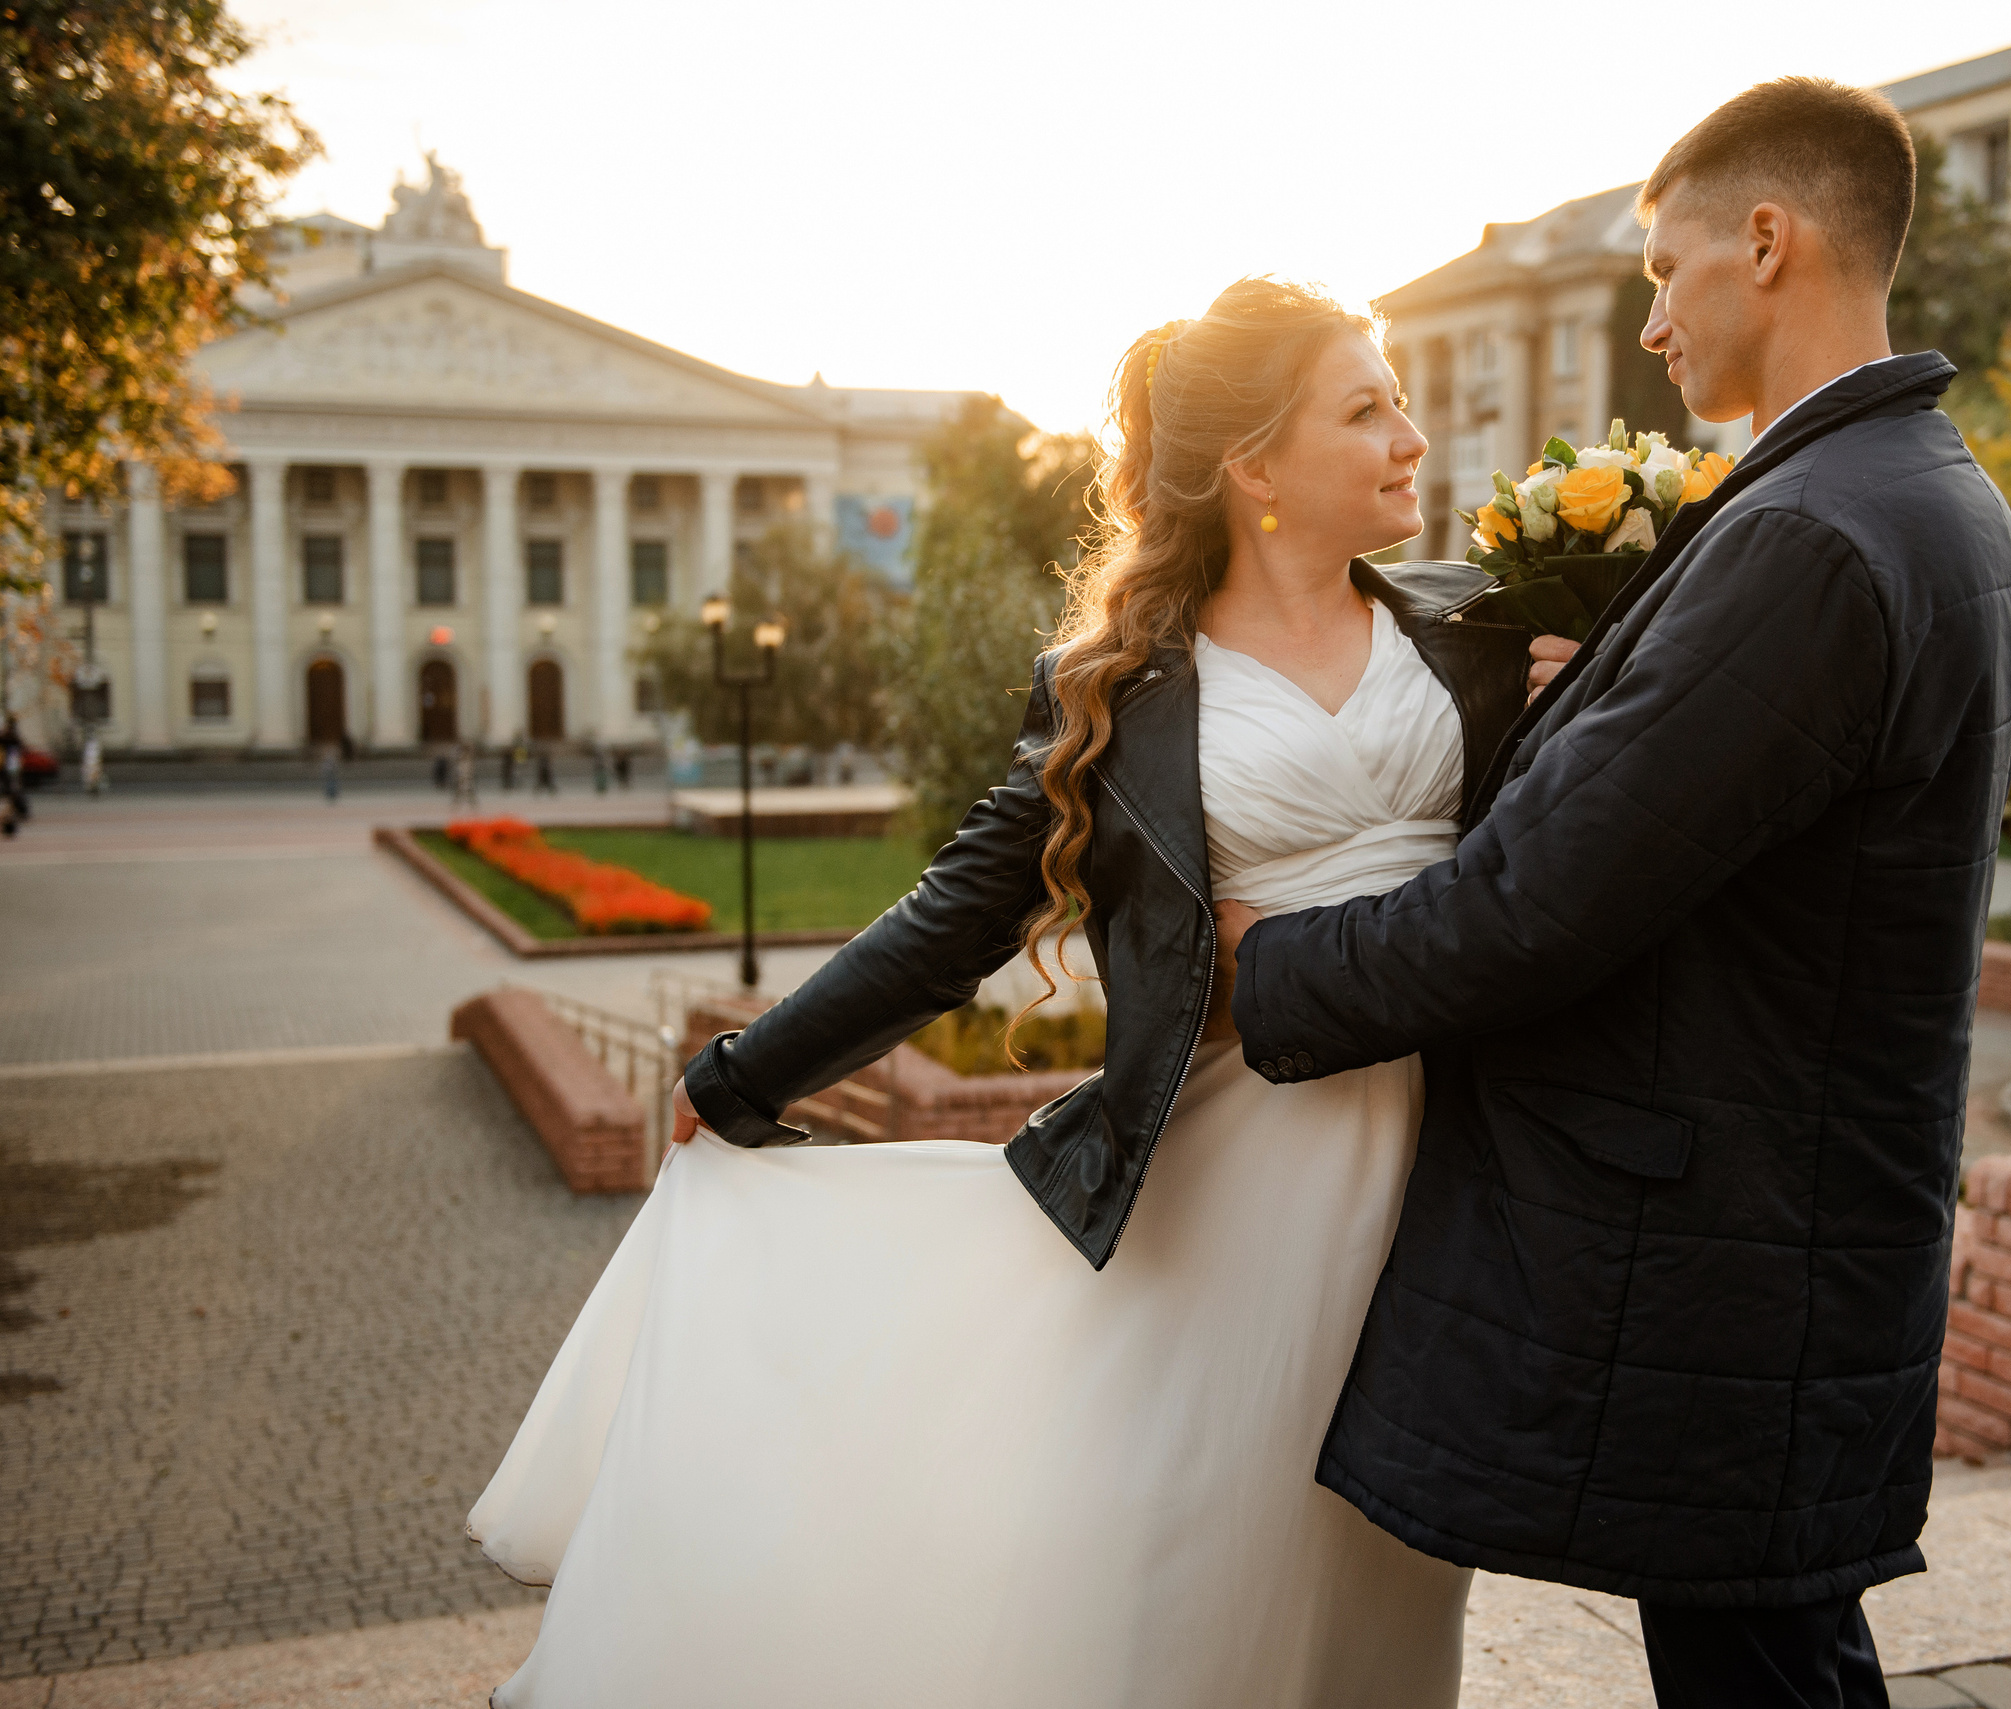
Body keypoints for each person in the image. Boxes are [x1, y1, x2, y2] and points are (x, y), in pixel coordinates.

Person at [467, 277, 1531, 1708]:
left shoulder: (1482, 639)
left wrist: (1588, 691)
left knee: (1394, 1583)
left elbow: (1564, 870)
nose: (1413, 434)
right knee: (1208, 1567)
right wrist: (740, 1074)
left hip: (1457, 1188)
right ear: (1255, 466)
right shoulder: (1125, 692)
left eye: (1398, 401)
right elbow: (954, 919)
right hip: (1226, 1198)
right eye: (1367, 407)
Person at [1212, 79, 2011, 1709]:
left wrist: (1267, 969)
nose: (1651, 319)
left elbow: (1532, 907)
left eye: (1664, 270)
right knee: (1777, 1653)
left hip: (1735, 1243)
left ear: (1766, 239)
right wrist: (1614, 690)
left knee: (1766, 1668)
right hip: (1802, 1218)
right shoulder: (1927, 493)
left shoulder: (1807, 531)